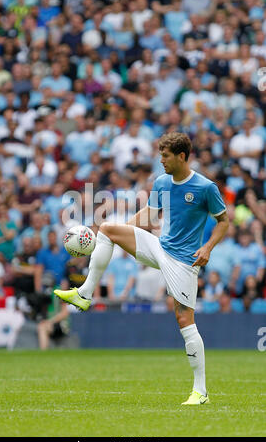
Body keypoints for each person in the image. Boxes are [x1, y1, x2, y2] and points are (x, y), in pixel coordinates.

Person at [54, 132, 229, 405]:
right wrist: (120, 229)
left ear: (182, 156)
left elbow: (223, 222)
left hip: (183, 260)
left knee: (184, 320)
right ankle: (85, 293)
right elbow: (148, 215)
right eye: (160, 155)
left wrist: (207, 248)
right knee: (109, 229)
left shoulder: (206, 188)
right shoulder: (161, 182)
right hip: (160, 246)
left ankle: (200, 391)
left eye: (166, 156)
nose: (161, 161)